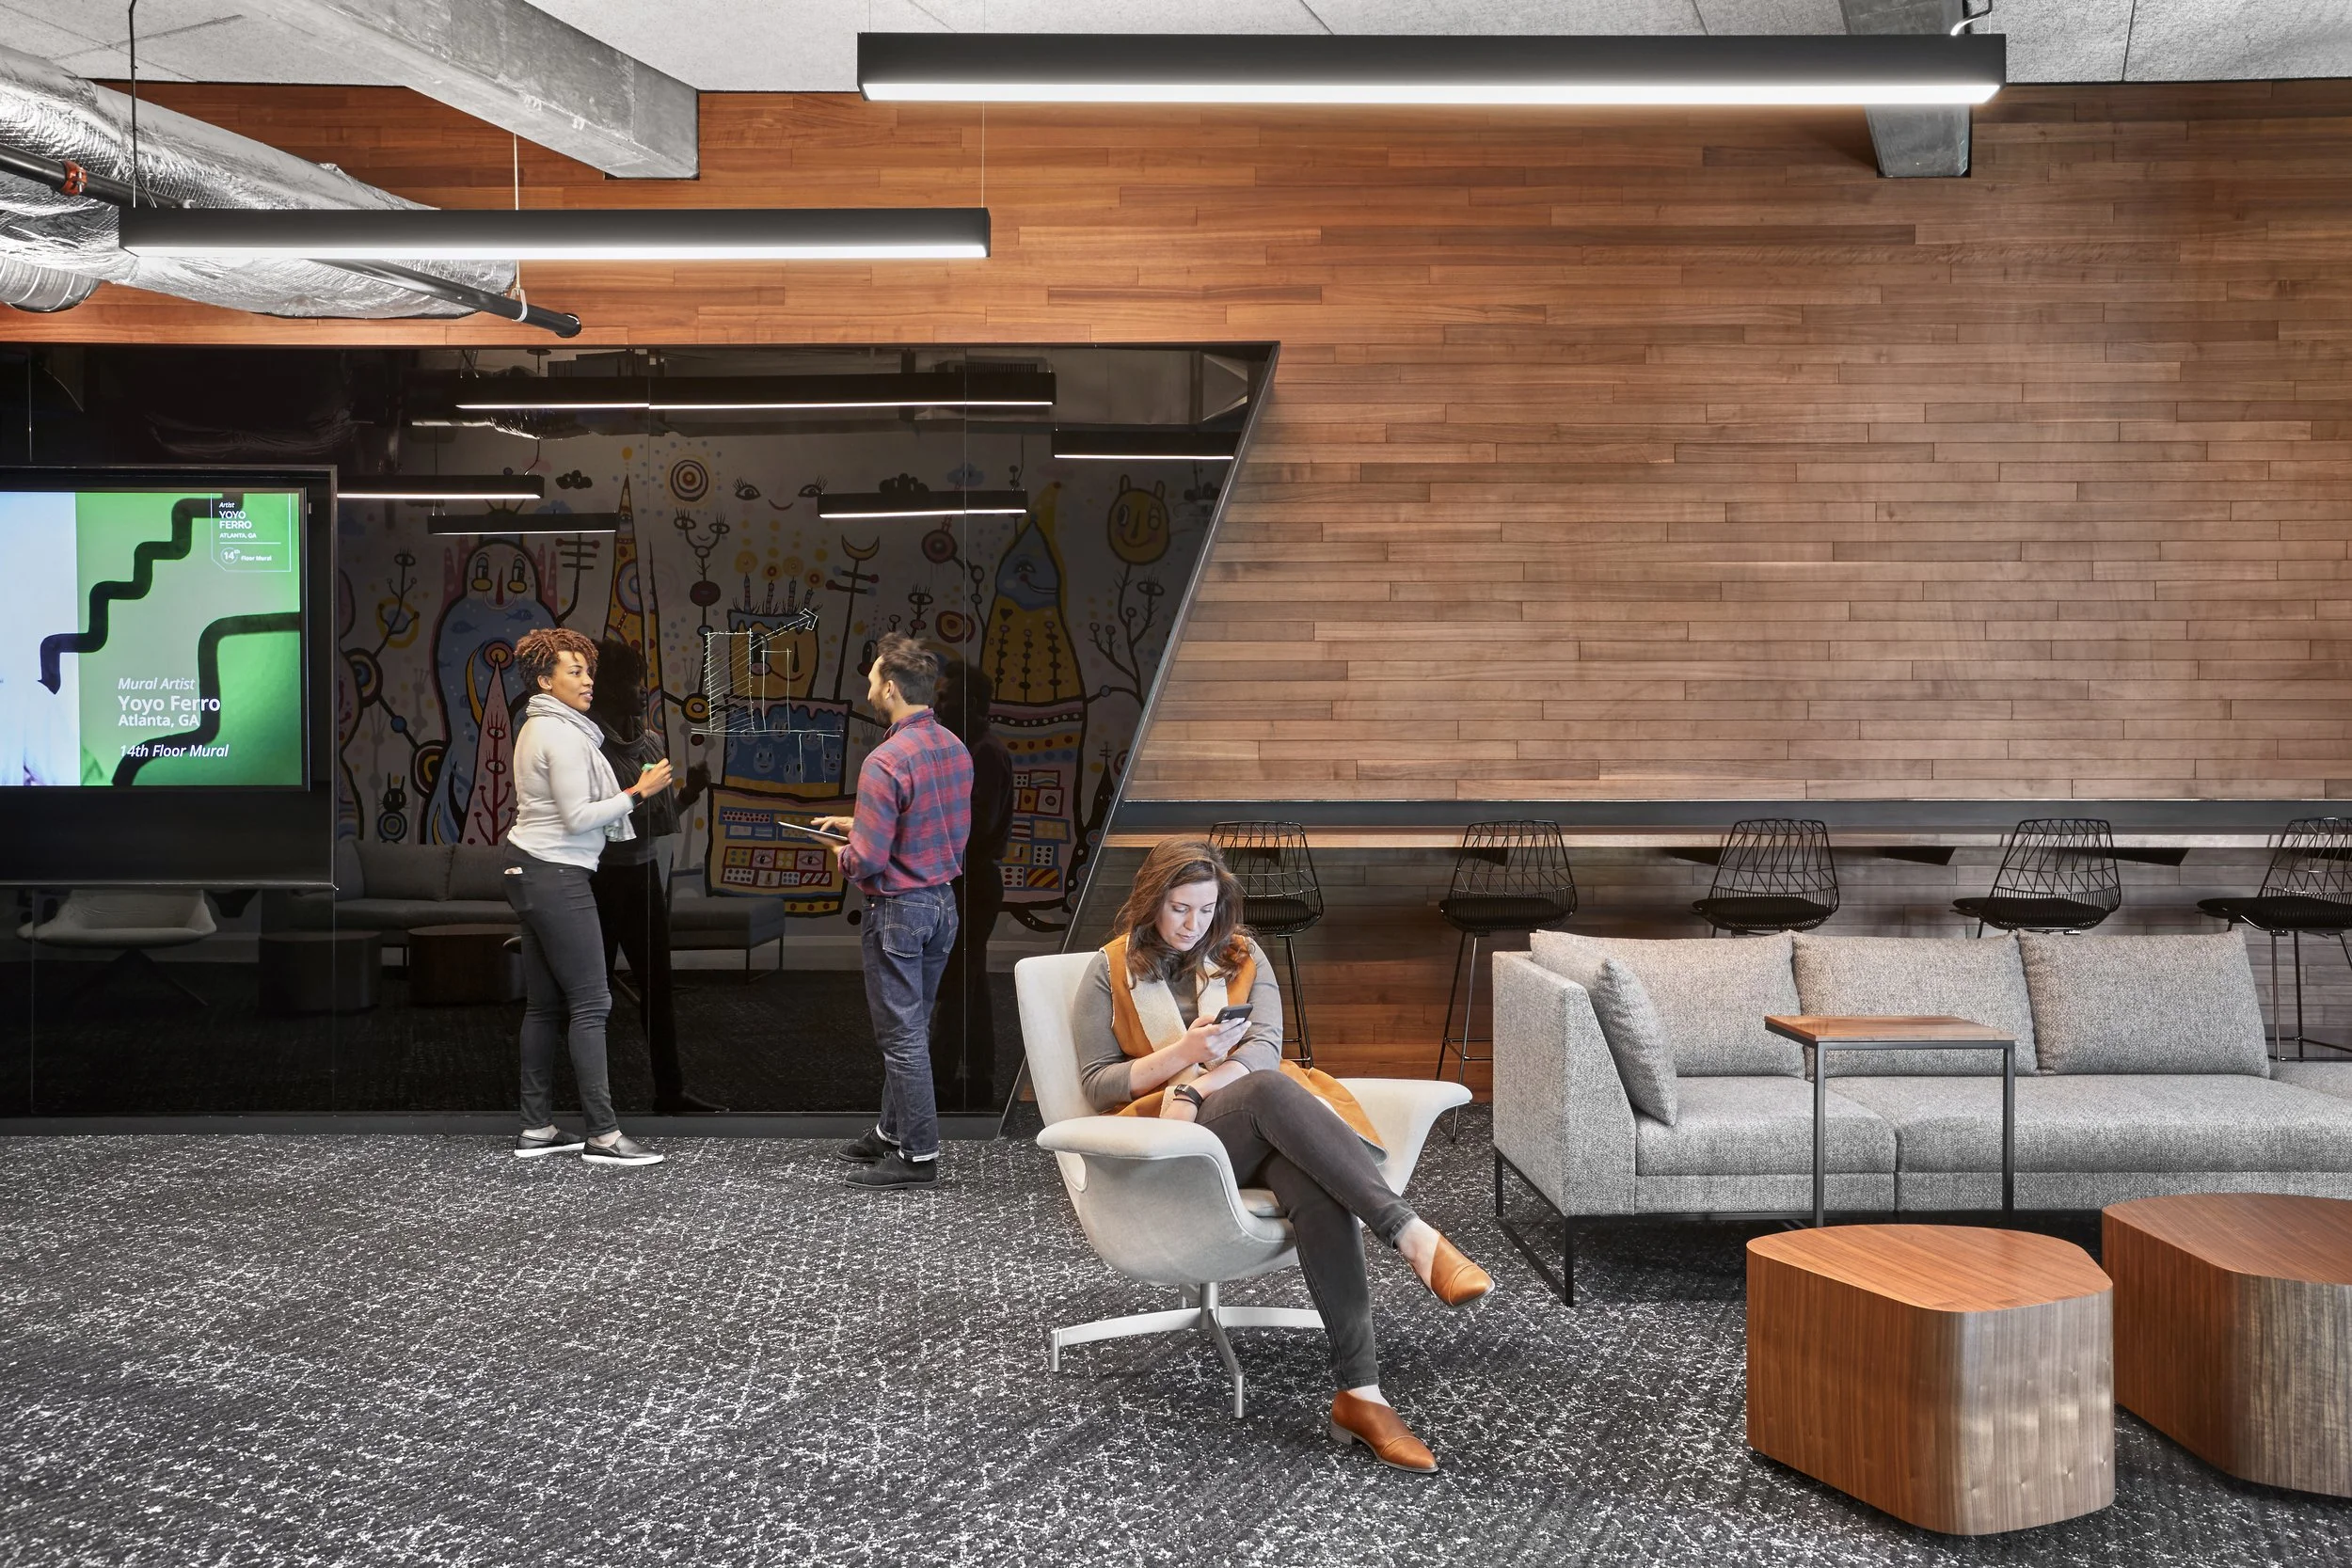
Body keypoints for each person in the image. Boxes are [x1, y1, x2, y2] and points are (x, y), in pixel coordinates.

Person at [1073, 836, 1494, 1473]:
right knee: (1268, 1091)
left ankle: (1363, 1393)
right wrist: (1182, 1057)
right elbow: (1098, 1081)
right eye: (1180, 908)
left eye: (1207, 909)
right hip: (1162, 1140)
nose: (1194, 924)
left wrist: (1194, 1084)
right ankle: (1410, 1234)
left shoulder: (1244, 955)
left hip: (1238, 1121)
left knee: (1307, 1168)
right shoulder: (1110, 968)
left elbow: (1263, 1051)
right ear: (1152, 902)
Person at [502, 627, 673, 1166]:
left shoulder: (540, 726)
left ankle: (536, 1127)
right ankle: (603, 1135)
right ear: (544, 679)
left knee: (544, 1006)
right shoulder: (561, 734)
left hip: (528, 867)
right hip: (556, 874)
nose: (586, 681)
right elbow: (578, 817)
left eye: (587, 670)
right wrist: (636, 793)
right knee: (592, 1003)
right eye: (573, 671)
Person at [814, 634, 972, 1190]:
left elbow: (872, 860)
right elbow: (929, 827)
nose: (867, 687)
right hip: (942, 908)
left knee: (901, 1036)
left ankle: (919, 1157)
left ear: (889, 687)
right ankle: (889, 1132)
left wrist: (846, 856)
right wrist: (856, 824)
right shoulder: (955, 748)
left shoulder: (885, 760)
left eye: (872, 677)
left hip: (899, 911)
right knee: (915, 1025)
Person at [586, 638, 725, 1116]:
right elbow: (599, 820)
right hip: (600, 880)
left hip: (642, 876)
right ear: (606, 688)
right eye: (631, 681)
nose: (641, 689)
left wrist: (688, 795)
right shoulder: (587, 745)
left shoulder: (648, 739)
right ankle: (593, 1102)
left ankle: (670, 1092)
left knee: (658, 990)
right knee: (594, 997)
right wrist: (639, 797)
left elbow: (658, 817)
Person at [929, 658, 1013, 1112]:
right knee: (971, 982)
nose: (938, 704)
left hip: (973, 884)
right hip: (966, 880)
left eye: (947, 697)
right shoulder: (969, 749)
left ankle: (941, 1079)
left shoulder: (985, 754)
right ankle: (978, 1074)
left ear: (974, 704)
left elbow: (977, 828)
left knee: (956, 982)